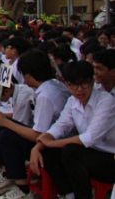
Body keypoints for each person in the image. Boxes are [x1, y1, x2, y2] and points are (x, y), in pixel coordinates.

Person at [0, 50, 70, 197]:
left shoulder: (45, 95)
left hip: (52, 145)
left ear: (28, 75)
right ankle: (6, 172)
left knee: (7, 135)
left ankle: (21, 187)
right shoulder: (53, 85)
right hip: (52, 138)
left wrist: (6, 122)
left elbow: (37, 134)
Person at [31, 61, 115, 199]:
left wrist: (50, 143)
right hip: (90, 154)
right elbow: (61, 126)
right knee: (49, 152)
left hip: (109, 158)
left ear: (93, 81)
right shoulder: (72, 101)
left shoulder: (106, 101)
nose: (79, 90)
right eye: (73, 85)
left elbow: (90, 137)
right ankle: (68, 194)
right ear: (67, 84)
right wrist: (38, 147)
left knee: (71, 151)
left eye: (84, 84)